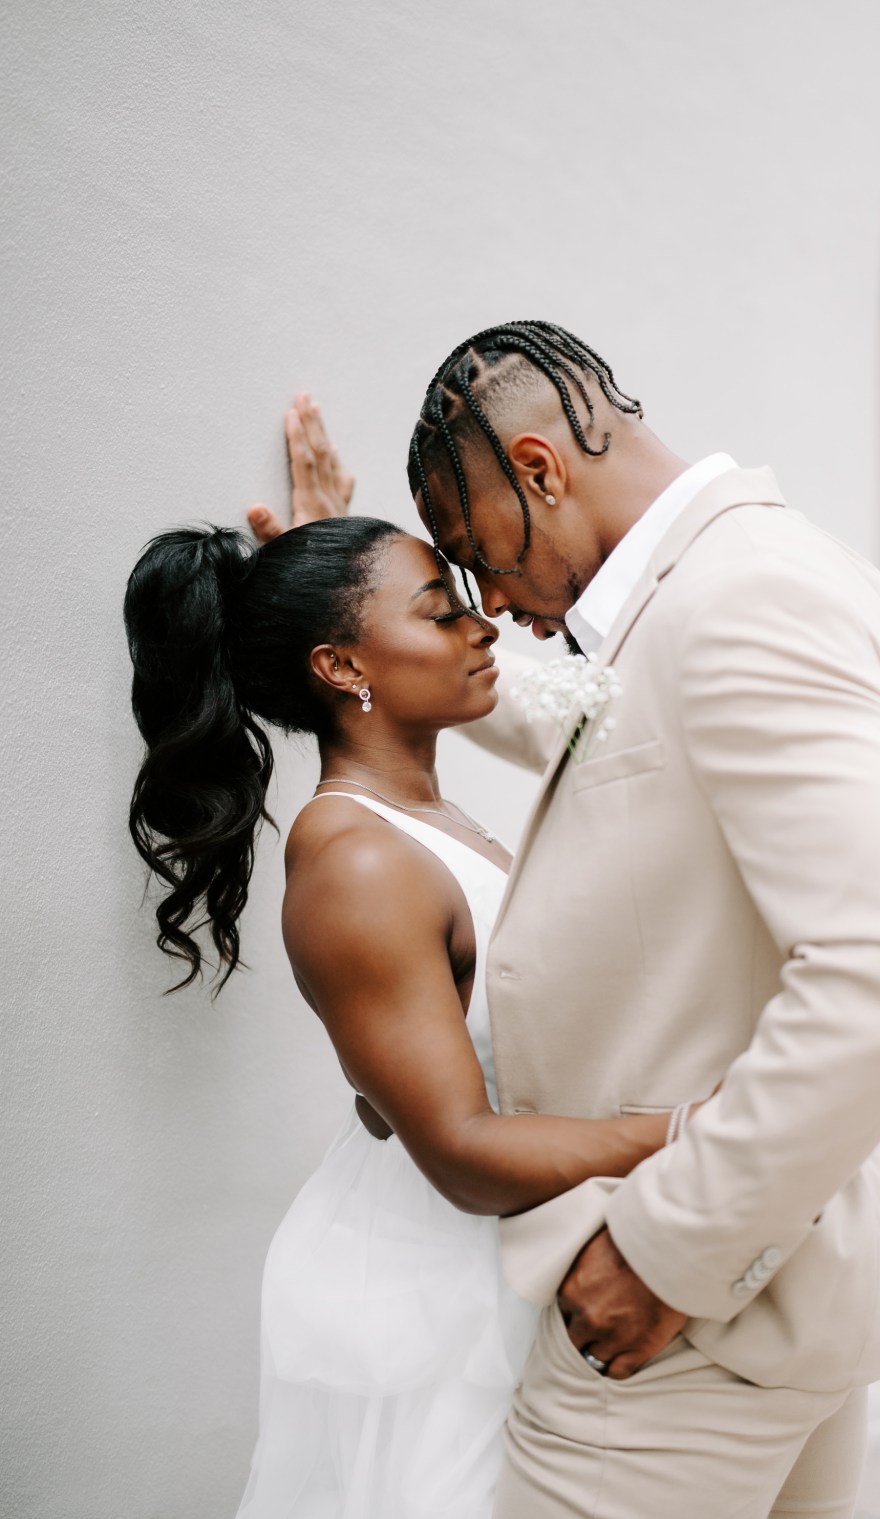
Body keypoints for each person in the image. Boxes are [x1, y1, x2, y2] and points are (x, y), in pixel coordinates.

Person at [251, 321, 880, 1519]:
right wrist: (342, 608)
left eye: (472, 559)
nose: (486, 605)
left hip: (687, 1320)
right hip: (790, 1304)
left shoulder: (739, 603)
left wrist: (670, 1250)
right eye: (449, 597)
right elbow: (594, 725)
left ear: (539, 469)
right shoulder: (745, 583)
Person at [123, 487, 689, 1518]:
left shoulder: (427, 816)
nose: (484, 629)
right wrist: (694, 1133)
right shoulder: (358, 861)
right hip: (429, 1295)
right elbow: (464, 1154)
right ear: (341, 667)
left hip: (493, 1268)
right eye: (441, 610)